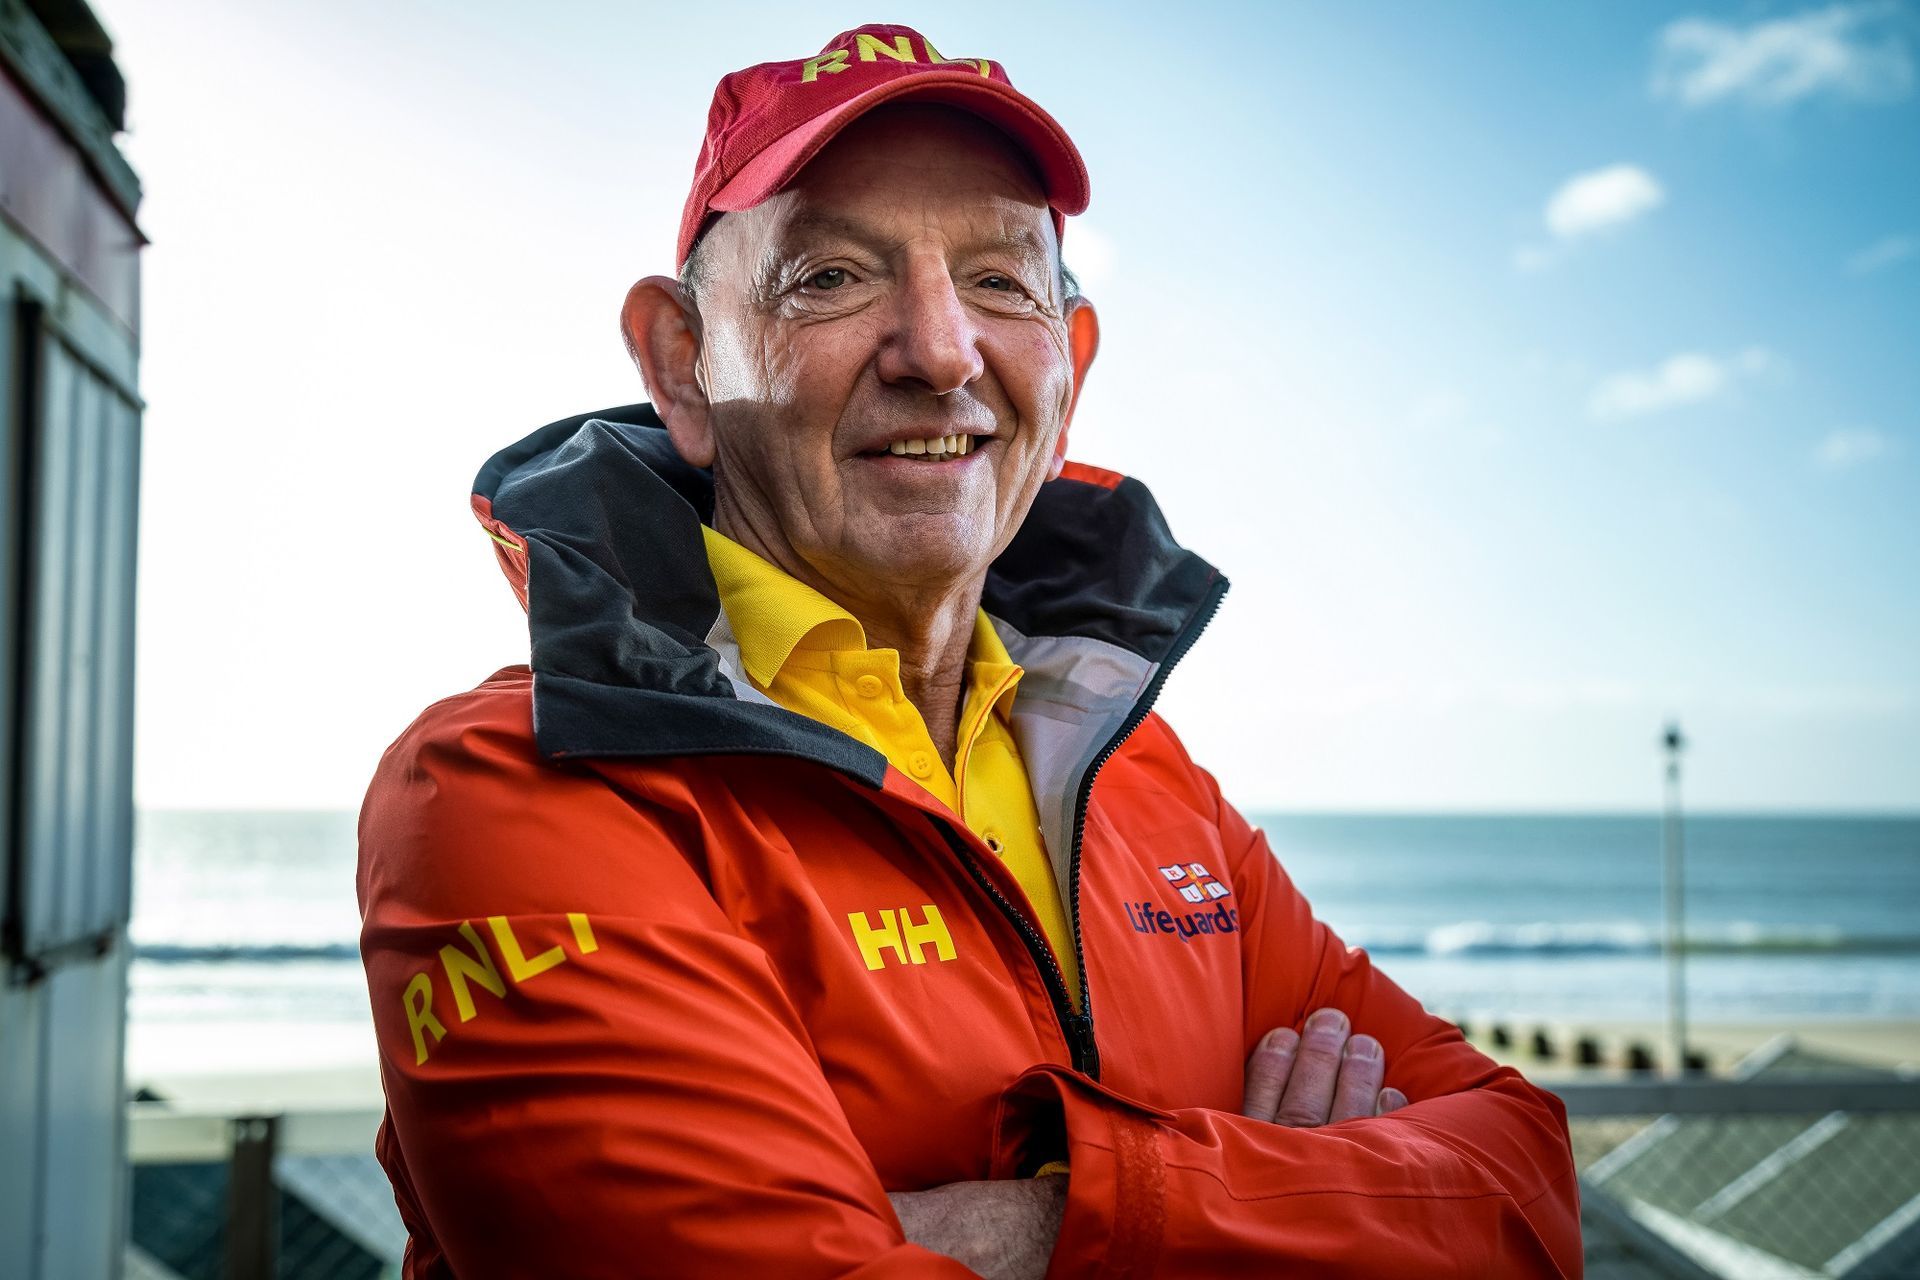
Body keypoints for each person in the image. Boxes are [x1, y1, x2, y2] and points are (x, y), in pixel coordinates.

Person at [357, 23, 1581, 1278]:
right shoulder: (518, 778)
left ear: (1071, 367)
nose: (942, 351)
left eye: (1002, 280)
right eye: (830, 276)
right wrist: (1299, 1200)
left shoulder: (1148, 782)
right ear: (685, 365)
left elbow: (1529, 1184)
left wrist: (1037, 1221)